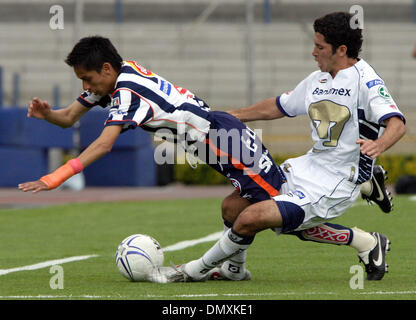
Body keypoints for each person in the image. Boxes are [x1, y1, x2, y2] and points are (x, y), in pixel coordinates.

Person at [153, 11, 406, 284]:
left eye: (320, 47)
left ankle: (192, 271)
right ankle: (234, 270)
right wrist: (229, 115)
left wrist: (378, 144)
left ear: (341, 50)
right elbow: (278, 106)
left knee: (256, 217)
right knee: (232, 208)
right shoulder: (316, 80)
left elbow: (397, 123)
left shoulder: (366, 81)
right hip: (308, 166)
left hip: (337, 181)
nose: (313, 52)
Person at [18, 35, 283, 224]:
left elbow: (104, 144)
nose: (86, 87)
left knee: (279, 211)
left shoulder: (126, 92)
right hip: (213, 139)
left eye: (87, 79)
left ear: (107, 68)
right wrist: (47, 114)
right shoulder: (121, 74)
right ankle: (233, 268)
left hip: (220, 140)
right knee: (235, 209)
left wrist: (55, 177)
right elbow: (67, 117)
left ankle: (216, 266)